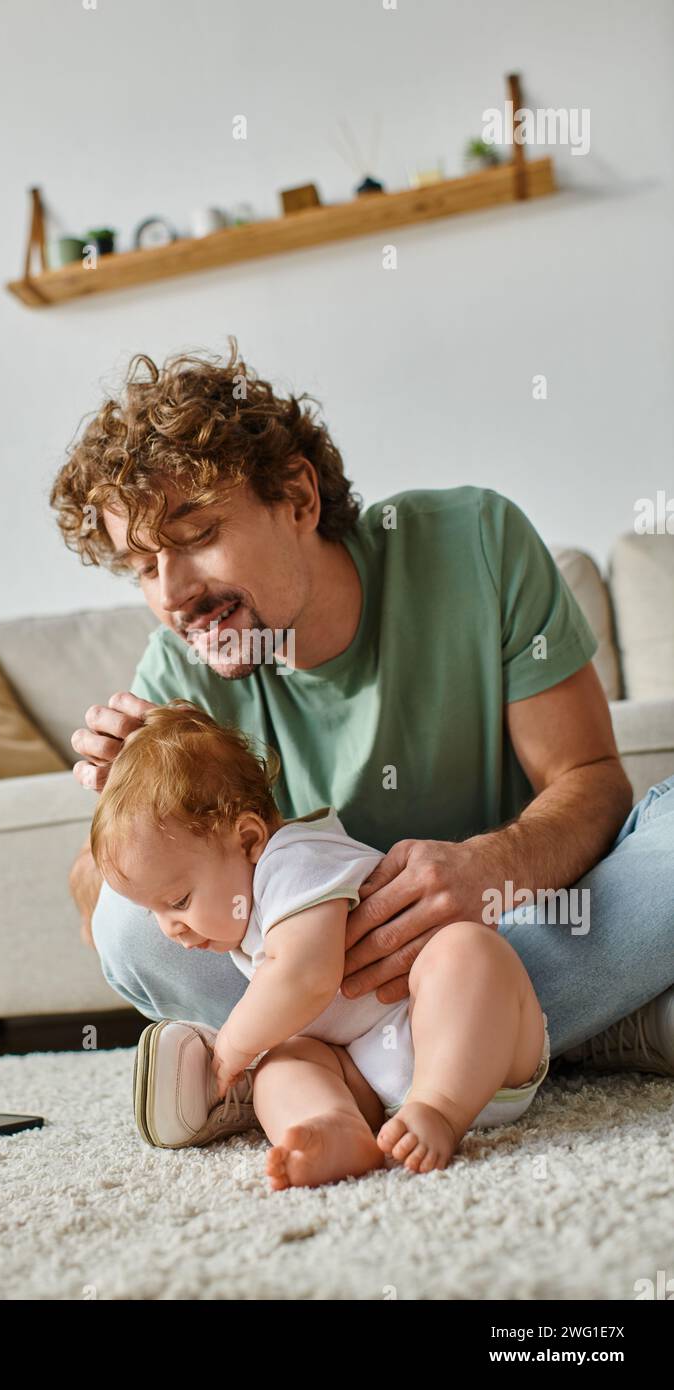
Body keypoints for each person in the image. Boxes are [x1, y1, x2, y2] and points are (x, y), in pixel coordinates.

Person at [50, 339, 674, 1146]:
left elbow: (592, 780)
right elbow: (105, 904)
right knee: (129, 927)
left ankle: (310, 1066)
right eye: (142, 566)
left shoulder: (477, 541)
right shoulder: (181, 667)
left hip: (515, 925)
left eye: (197, 534)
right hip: (331, 987)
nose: (171, 595)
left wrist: (495, 868)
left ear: (299, 498)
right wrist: (121, 813)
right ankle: (566, 1032)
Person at [90, 700, 551, 1187]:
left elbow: (305, 978)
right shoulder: (241, 903)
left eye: (179, 900)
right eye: (154, 912)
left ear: (247, 839)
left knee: (465, 950)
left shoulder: (293, 860)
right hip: (375, 1074)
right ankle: (334, 1126)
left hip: (479, 1051)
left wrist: (230, 1048)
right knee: (286, 1061)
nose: (171, 928)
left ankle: (439, 1109)